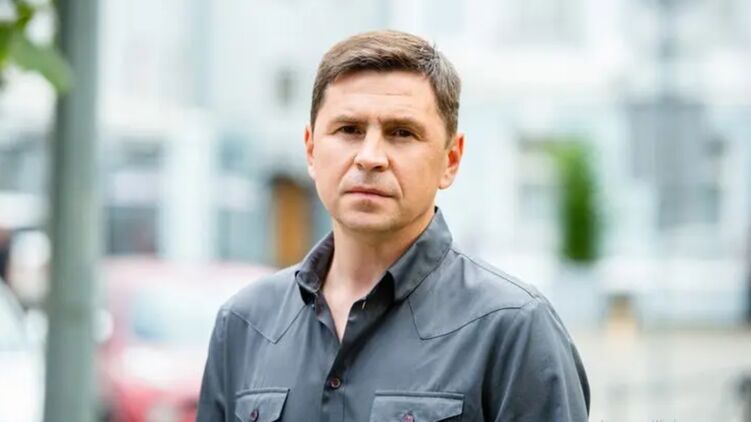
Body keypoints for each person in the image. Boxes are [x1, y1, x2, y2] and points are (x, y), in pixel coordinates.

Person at [197, 30, 590, 422]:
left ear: (451, 159)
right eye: (349, 129)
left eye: (402, 133)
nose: (370, 157)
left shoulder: (513, 327)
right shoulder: (244, 325)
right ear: (311, 149)